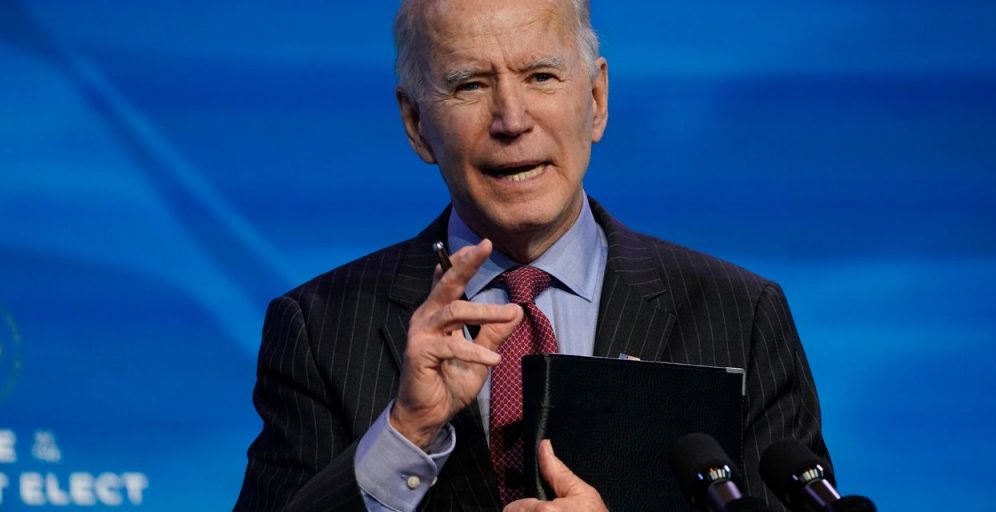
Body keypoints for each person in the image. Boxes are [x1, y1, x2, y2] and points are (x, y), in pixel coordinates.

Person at [234, 0, 830, 511]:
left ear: (596, 98)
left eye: (541, 76)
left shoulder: (740, 314)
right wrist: (405, 433)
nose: (512, 120)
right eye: (470, 85)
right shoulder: (319, 329)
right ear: (416, 124)